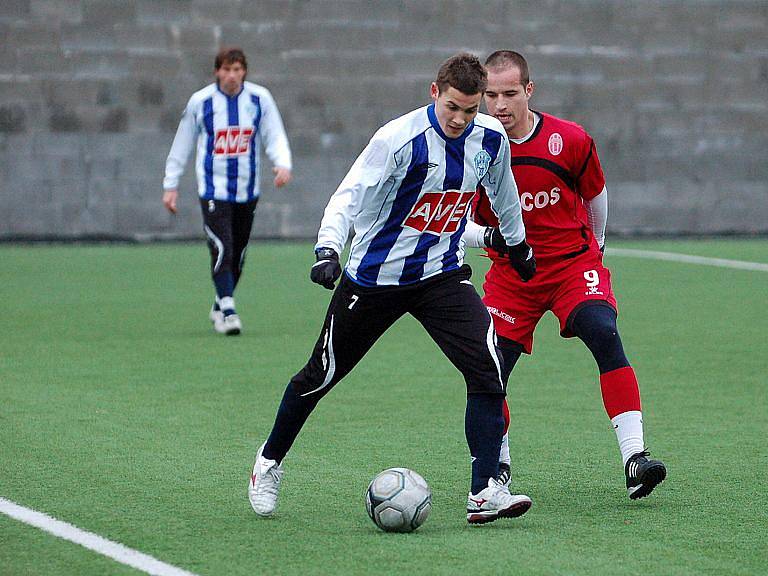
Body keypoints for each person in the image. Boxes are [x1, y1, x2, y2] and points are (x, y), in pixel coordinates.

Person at [248, 53, 537, 524]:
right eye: (453, 108)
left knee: (487, 367)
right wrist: (327, 249)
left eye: (470, 109)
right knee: (320, 375)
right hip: (375, 279)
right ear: (434, 93)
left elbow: (503, 190)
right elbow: (350, 193)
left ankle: (485, 491)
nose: (461, 119)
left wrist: (519, 245)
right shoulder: (398, 139)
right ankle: (269, 462)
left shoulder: (489, 137)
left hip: (441, 276)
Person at [462, 50, 666, 499]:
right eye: (490, 95)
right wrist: (492, 242)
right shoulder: (472, 148)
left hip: (572, 265)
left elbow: (595, 194)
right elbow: (463, 223)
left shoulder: (568, 139)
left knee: (603, 331)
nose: (499, 105)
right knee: (490, 369)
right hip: (513, 275)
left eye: (510, 93)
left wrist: (599, 244)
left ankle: (635, 458)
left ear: (529, 91)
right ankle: (497, 467)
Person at [162, 47, 292, 335]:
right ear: (217, 72)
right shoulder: (201, 102)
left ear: (244, 71)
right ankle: (229, 310)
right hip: (213, 189)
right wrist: (170, 185)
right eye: (226, 70)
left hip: (247, 190)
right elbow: (182, 142)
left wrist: (282, 164)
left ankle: (219, 303)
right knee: (222, 246)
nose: (232, 76)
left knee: (239, 253)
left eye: (237, 69)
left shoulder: (260, 99)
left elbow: (274, 134)